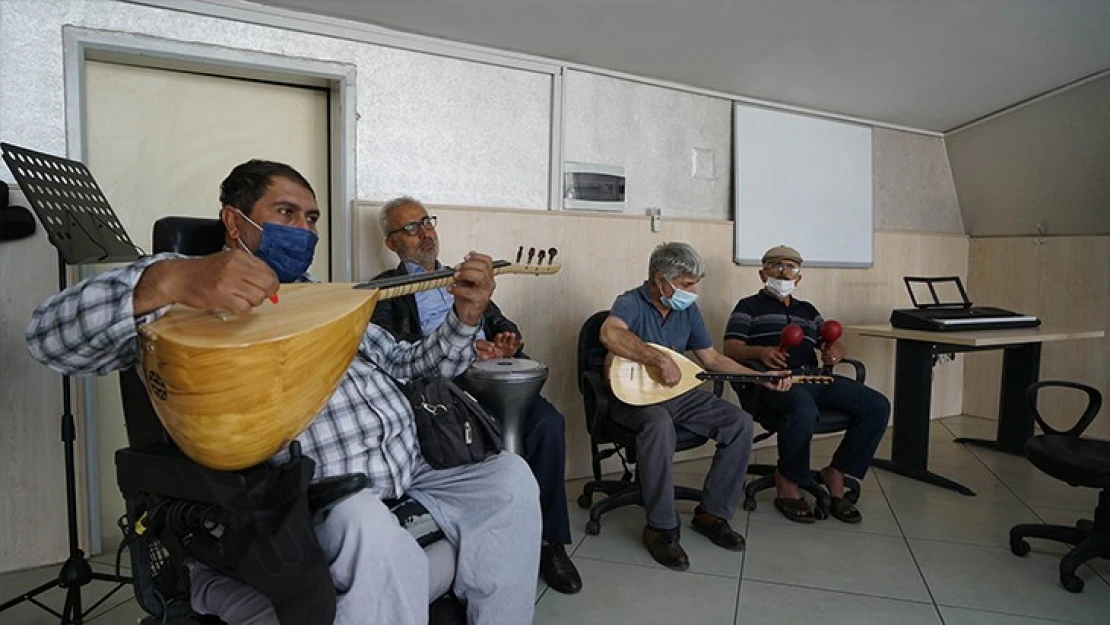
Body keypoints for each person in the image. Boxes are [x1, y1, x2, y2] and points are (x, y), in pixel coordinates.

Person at [24, 160, 541, 625]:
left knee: (510, 480)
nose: (303, 229)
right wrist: (171, 279)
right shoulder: (181, 298)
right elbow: (48, 337)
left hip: (412, 469)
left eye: (311, 218)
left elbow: (409, 364)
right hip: (319, 493)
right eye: (286, 212)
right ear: (234, 222)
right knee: (366, 526)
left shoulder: (326, 297)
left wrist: (464, 318)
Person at [369, 196, 582, 595]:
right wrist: (458, 344)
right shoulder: (386, 289)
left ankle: (551, 544)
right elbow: (394, 353)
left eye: (427, 222)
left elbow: (499, 320)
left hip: (489, 378)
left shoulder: (462, 277)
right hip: (441, 392)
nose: (425, 233)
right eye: (411, 228)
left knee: (548, 424)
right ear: (391, 242)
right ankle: (482, 543)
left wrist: (505, 342)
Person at [599, 242, 790, 571]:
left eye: (695, 283)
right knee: (658, 425)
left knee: (739, 423)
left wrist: (761, 377)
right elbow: (609, 333)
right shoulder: (630, 302)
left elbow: (712, 359)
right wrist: (657, 358)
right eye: (688, 284)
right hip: (634, 398)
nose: (694, 291)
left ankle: (711, 514)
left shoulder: (686, 310)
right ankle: (660, 527)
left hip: (679, 395)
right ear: (662, 280)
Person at [722, 244, 890, 525]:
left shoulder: (808, 310)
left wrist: (836, 352)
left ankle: (837, 471)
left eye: (790, 267)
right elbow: (731, 348)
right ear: (763, 275)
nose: (783, 272)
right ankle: (787, 479)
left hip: (814, 376)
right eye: (775, 266)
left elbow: (831, 342)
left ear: (798, 278)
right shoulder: (747, 307)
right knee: (803, 408)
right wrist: (760, 353)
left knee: (877, 405)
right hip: (774, 382)